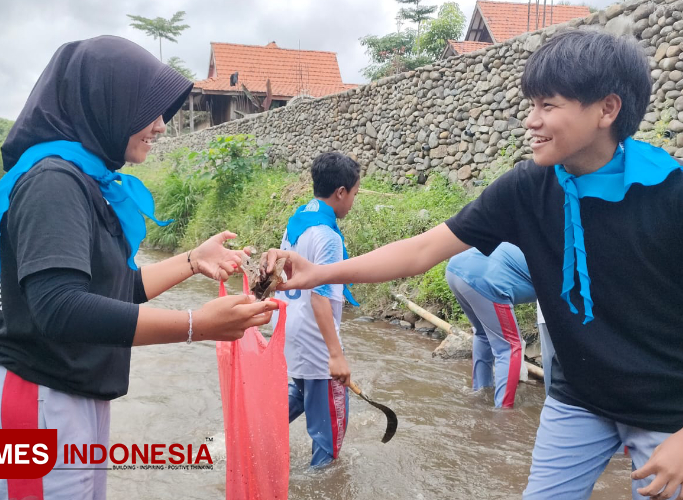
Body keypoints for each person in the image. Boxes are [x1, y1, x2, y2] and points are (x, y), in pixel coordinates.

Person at [264, 30, 683, 499]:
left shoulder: (668, 195)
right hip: (579, 399)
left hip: (666, 408)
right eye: (531, 104)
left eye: (548, 106)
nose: (531, 121)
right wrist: (317, 273)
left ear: (607, 109)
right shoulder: (528, 188)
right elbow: (421, 251)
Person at [0, 36, 278, 500]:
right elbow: (60, 308)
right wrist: (195, 325)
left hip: (58, 400)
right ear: (104, 105)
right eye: (148, 111)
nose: (161, 127)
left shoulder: (85, 182)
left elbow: (112, 291)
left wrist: (190, 260)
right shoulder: (54, 182)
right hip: (28, 408)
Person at [272, 152, 360, 467]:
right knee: (330, 436)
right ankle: (321, 480)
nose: (352, 202)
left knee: (300, 392)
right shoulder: (328, 236)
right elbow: (320, 297)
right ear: (340, 192)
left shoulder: (297, 222)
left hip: (290, 330)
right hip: (315, 337)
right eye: (354, 194)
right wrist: (335, 355)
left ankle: (255, 433)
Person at [446, 243, 534, 408]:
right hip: (485, 278)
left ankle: (480, 392)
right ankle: (504, 412)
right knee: (508, 347)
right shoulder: (566, 267)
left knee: (482, 334)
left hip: (456, 267)